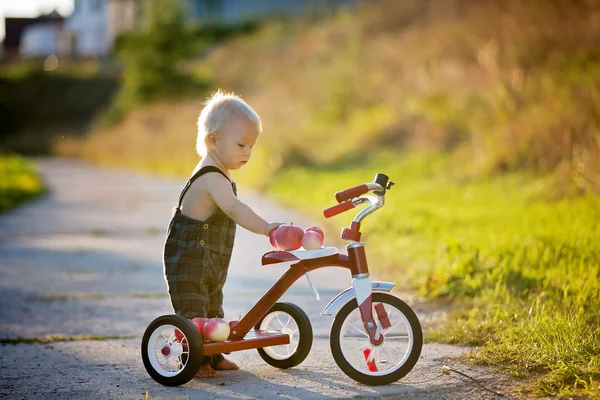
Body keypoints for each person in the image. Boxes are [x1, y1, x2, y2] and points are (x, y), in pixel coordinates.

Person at [163, 90, 283, 378]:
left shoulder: (221, 173)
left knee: (214, 310)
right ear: (213, 140)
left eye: (252, 146)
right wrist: (267, 228)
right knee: (194, 312)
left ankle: (214, 357)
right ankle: (192, 360)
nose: (248, 153)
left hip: (212, 259)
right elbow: (232, 207)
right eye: (241, 144)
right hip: (189, 258)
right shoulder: (211, 176)